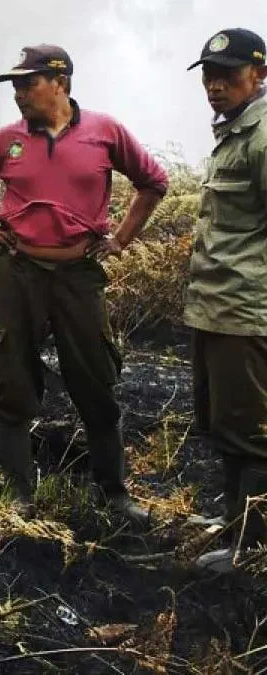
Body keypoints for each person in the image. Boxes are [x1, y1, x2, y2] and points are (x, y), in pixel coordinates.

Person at [0, 44, 168, 523]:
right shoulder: (7, 140)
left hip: (78, 275)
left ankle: (115, 494)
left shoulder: (105, 132)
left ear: (60, 83)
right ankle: (19, 496)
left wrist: (122, 239)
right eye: (16, 86)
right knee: (10, 375)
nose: (19, 94)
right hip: (19, 272)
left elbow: (153, 182)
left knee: (95, 379)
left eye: (28, 83)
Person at [182, 28, 267, 573]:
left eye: (228, 76)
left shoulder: (262, 138)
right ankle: (234, 520)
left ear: (259, 76)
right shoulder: (235, 132)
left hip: (245, 311)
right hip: (216, 307)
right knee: (223, 422)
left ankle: (251, 547)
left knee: (253, 431)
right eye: (209, 77)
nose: (215, 86)